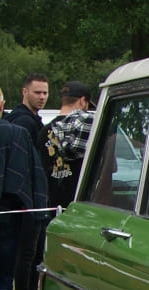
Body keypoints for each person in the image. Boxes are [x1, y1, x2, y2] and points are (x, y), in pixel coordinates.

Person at [0, 83, 48, 290]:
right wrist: (37, 213)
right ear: (2, 105)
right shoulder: (17, 134)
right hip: (9, 216)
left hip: (3, 214)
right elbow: (32, 177)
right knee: (3, 280)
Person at [4, 73, 49, 290]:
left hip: (34, 196)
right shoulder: (22, 122)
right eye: (37, 93)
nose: (42, 97)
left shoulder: (33, 120)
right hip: (27, 198)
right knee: (27, 252)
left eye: (45, 93)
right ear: (24, 92)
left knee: (34, 252)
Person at [43, 81, 97, 210]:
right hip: (80, 202)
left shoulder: (43, 131)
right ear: (82, 101)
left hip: (51, 203)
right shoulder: (89, 127)